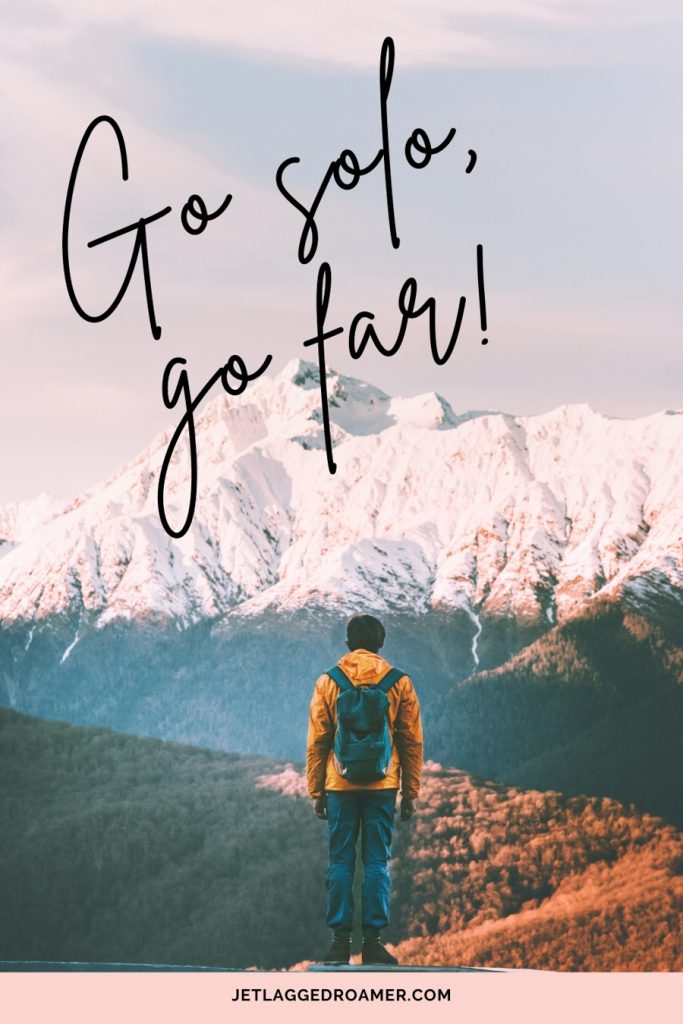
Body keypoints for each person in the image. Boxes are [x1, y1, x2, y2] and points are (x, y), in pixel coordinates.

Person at [306, 613, 423, 965]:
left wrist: (317, 790)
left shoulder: (329, 682)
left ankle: (340, 942)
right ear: (381, 644)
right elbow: (411, 740)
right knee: (376, 862)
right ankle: (373, 941)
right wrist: (410, 791)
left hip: (339, 784)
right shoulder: (399, 682)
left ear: (347, 644)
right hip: (382, 785)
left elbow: (319, 740)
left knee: (340, 861)